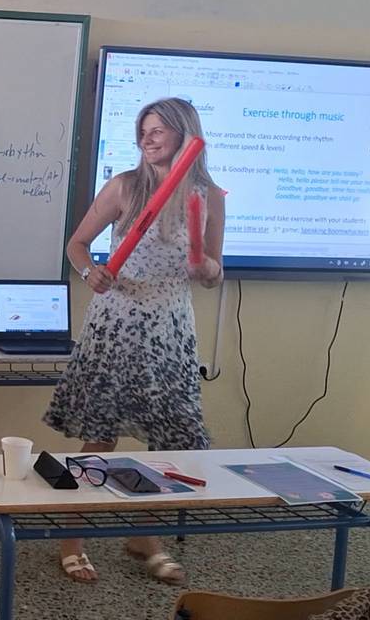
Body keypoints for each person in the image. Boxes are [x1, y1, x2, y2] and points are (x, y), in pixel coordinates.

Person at [43, 97, 224, 585]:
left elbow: (215, 271)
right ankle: (72, 541)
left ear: (185, 134)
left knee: (175, 441)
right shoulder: (125, 186)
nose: (148, 138)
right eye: (144, 130)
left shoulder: (209, 195)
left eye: (159, 130)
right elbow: (77, 244)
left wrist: (206, 269)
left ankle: (146, 537)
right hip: (118, 325)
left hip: (171, 331)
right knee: (100, 437)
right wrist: (90, 272)